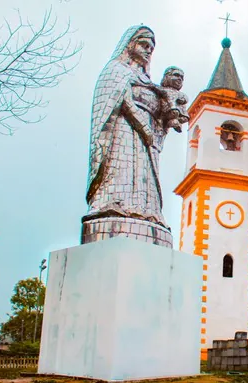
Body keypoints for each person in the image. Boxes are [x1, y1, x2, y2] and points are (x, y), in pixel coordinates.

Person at [83, 25, 169, 233]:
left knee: (143, 175)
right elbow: (122, 101)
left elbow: (159, 118)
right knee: (121, 169)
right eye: (144, 44)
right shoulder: (117, 71)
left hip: (146, 138)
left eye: (151, 47)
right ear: (130, 44)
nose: (148, 50)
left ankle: (145, 209)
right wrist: (143, 127)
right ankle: (113, 203)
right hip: (123, 129)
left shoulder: (148, 82)